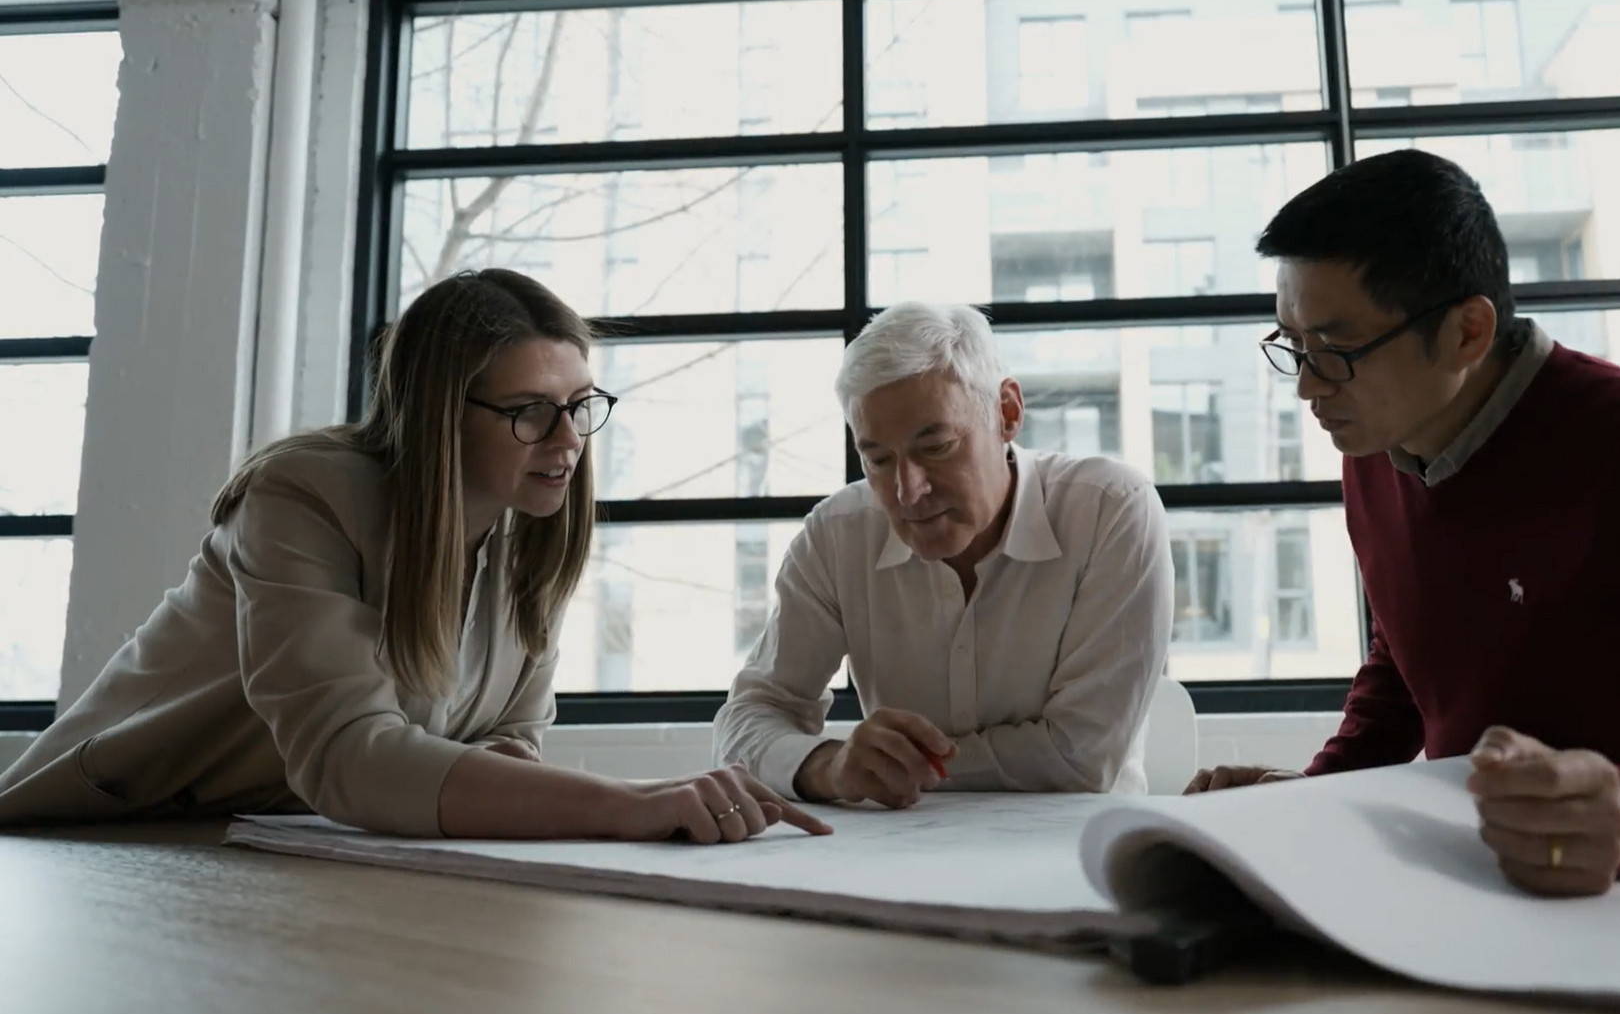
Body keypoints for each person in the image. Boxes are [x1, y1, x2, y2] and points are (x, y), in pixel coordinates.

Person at [1185, 150, 1620, 896]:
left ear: (1466, 332)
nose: (1306, 387)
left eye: (1335, 351)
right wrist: (1305, 803)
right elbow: (1410, 666)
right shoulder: (1377, 447)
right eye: (1292, 346)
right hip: (1490, 889)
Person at [0, 269, 828, 845]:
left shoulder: (524, 529)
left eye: (581, 406)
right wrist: (629, 802)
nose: (570, 440)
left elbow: (508, 737)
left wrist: (551, 783)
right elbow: (349, 757)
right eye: (531, 410)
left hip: (283, 843)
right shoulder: (302, 497)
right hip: (101, 834)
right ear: (441, 413)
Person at [714, 302, 1174, 807]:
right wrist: (829, 766)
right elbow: (746, 719)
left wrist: (893, 769)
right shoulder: (838, 534)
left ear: (1007, 413)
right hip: (895, 859)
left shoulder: (1111, 512)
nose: (908, 491)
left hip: (1077, 854)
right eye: (879, 459)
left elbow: (1081, 757)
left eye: (937, 447)